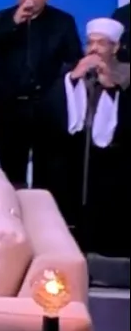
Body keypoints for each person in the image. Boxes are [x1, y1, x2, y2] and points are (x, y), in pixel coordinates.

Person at [0, 0, 82, 189]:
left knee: (47, 174)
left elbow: (73, 59)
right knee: (12, 175)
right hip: (8, 109)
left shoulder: (63, 22)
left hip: (47, 110)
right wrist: (14, 22)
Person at [44, 17, 128, 258]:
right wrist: (73, 79)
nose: (94, 49)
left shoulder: (126, 72)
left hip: (114, 158)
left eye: (101, 43)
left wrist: (111, 87)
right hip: (77, 155)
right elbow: (51, 110)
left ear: (115, 47)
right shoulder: (73, 70)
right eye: (90, 42)